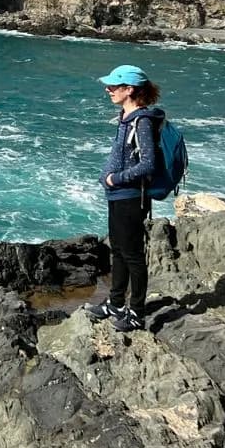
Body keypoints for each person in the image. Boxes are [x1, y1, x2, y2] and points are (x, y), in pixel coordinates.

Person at [85, 64, 161, 333]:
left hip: (130, 197)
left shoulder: (142, 121)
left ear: (130, 90)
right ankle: (116, 304)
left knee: (133, 256)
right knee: (117, 250)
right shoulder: (126, 117)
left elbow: (148, 164)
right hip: (118, 196)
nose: (108, 89)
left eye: (114, 86)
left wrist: (114, 179)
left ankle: (137, 313)